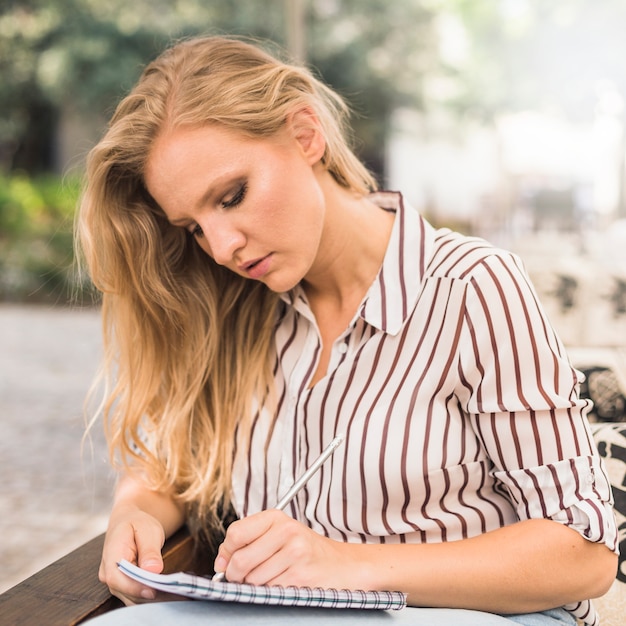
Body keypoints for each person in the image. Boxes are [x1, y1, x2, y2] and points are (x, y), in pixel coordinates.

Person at [77, 35, 618, 626]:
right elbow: (171, 468)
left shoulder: (471, 288)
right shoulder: (242, 308)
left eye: (232, 196)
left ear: (306, 134)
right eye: (193, 229)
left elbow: (583, 553)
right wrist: (135, 514)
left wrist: (346, 564)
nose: (223, 247)